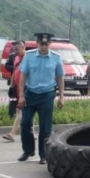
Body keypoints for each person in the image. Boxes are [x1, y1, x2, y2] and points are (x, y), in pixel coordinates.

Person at [17, 32, 65, 164]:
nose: (43, 46)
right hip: (30, 94)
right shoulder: (29, 56)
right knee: (25, 123)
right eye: (41, 44)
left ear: (50, 44)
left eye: (46, 44)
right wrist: (21, 95)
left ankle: (43, 154)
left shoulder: (56, 58)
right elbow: (23, 76)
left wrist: (61, 97)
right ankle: (28, 150)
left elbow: (60, 78)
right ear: (37, 43)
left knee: (45, 127)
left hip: (47, 95)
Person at [3, 40, 36, 142]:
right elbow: (14, 72)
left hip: (26, 88)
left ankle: (12, 133)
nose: (15, 51)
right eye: (14, 49)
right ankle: (33, 133)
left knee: (20, 111)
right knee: (26, 112)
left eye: (17, 49)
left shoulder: (29, 58)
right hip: (18, 88)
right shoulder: (16, 58)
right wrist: (12, 85)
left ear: (23, 47)